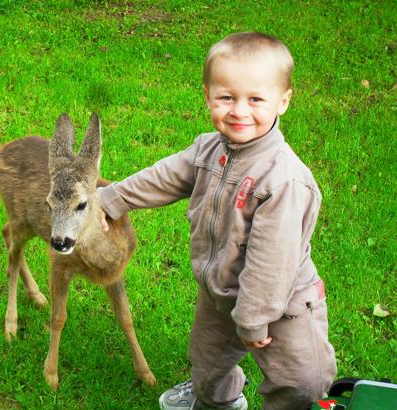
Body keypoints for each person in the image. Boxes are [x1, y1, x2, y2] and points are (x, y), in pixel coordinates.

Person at [98, 32, 337, 410]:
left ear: (283, 101)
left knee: (302, 381)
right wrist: (111, 199)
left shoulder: (283, 181)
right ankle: (220, 401)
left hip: (283, 306)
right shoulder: (208, 149)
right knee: (208, 370)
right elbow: (164, 177)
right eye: (227, 97)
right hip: (220, 294)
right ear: (208, 96)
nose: (239, 111)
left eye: (255, 99)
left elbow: (271, 262)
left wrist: (254, 320)